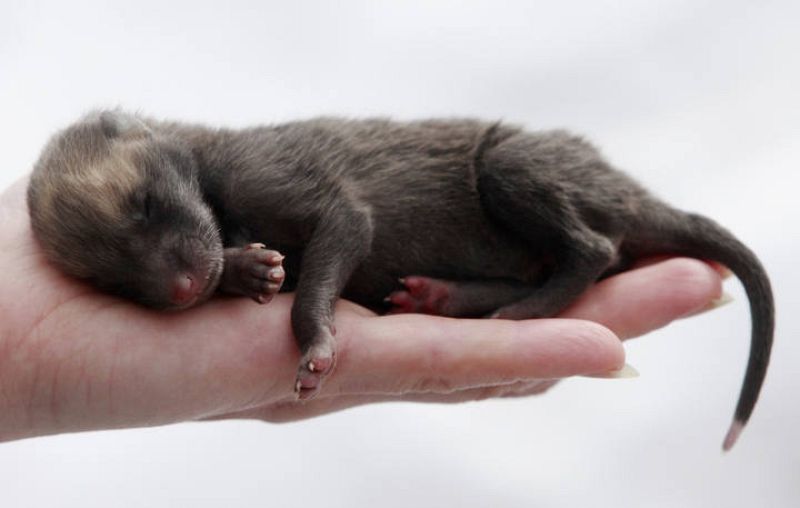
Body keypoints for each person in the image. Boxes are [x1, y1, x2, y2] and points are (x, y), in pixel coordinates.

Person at [0, 178, 726, 441]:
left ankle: (572, 261)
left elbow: (342, 218)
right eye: (121, 275)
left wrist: (310, 318)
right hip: (474, 251)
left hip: (485, 182)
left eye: (143, 213)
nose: (180, 287)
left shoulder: (235, 171)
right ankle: (493, 294)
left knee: (518, 180)